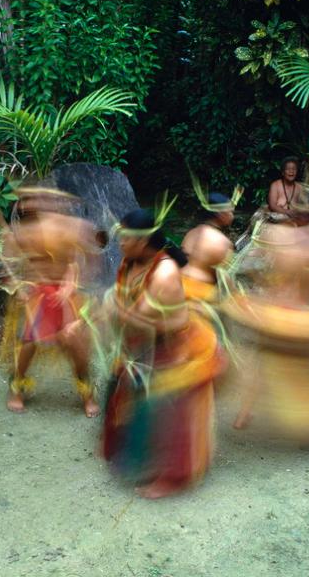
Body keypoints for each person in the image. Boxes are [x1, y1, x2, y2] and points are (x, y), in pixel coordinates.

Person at [225, 189, 309, 442]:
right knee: (308, 365)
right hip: (302, 317)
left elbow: (251, 267)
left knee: (262, 358)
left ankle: (244, 414)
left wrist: (256, 297)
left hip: (272, 311)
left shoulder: (276, 234)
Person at [102, 208, 222, 498]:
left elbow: (139, 319)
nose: (119, 243)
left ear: (143, 242)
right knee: (124, 386)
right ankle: (138, 457)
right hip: (147, 343)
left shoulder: (164, 273)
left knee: (163, 401)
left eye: (125, 239)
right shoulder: (132, 261)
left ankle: (172, 478)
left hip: (177, 346)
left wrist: (112, 311)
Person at [0, 186, 101, 417]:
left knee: (76, 346)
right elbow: (10, 264)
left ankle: (87, 394)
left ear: (55, 201)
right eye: (27, 200)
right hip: (38, 294)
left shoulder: (77, 227)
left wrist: (74, 282)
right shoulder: (25, 231)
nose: (28, 204)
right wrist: (19, 287)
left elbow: (92, 260)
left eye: (37, 199)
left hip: (68, 296)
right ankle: (17, 386)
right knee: (28, 343)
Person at [181, 192, 235, 303]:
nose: (232, 215)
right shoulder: (223, 242)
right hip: (198, 294)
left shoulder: (191, 233)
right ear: (221, 215)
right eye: (230, 212)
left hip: (178, 285)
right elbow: (225, 279)